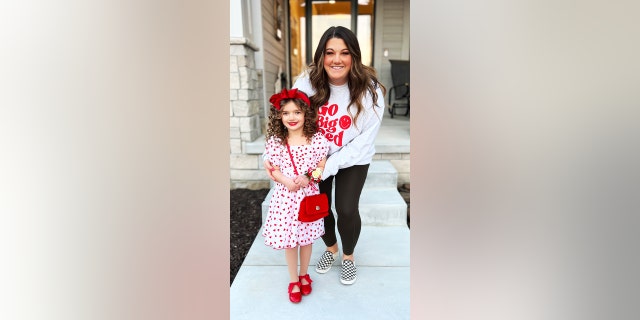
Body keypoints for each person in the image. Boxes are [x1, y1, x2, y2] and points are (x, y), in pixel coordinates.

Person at [265, 26, 386, 285]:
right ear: (321, 56)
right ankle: (331, 249)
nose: (336, 59)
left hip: (353, 158)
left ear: (354, 56)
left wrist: (324, 168)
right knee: (319, 209)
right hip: (314, 156)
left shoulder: (370, 91)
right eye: (329, 52)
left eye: (344, 53)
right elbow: (288, 117)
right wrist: (272, 152)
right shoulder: (307, 82)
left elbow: (364, 142)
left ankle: (349, 257)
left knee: (346, 208)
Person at [261, 88, 329, 303]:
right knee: (290, 241)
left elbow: (321, 166)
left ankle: (304, 274)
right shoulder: (276, 142)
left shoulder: (316, 139)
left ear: (306, 114)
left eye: (297, 112)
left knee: (306, 239)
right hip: (285, 198)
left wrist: (309, 177)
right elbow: (272, 168)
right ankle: (293, 279)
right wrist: (286, 181)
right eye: (286, 113)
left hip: (307, 196)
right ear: (279, 116)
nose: (292, 117)